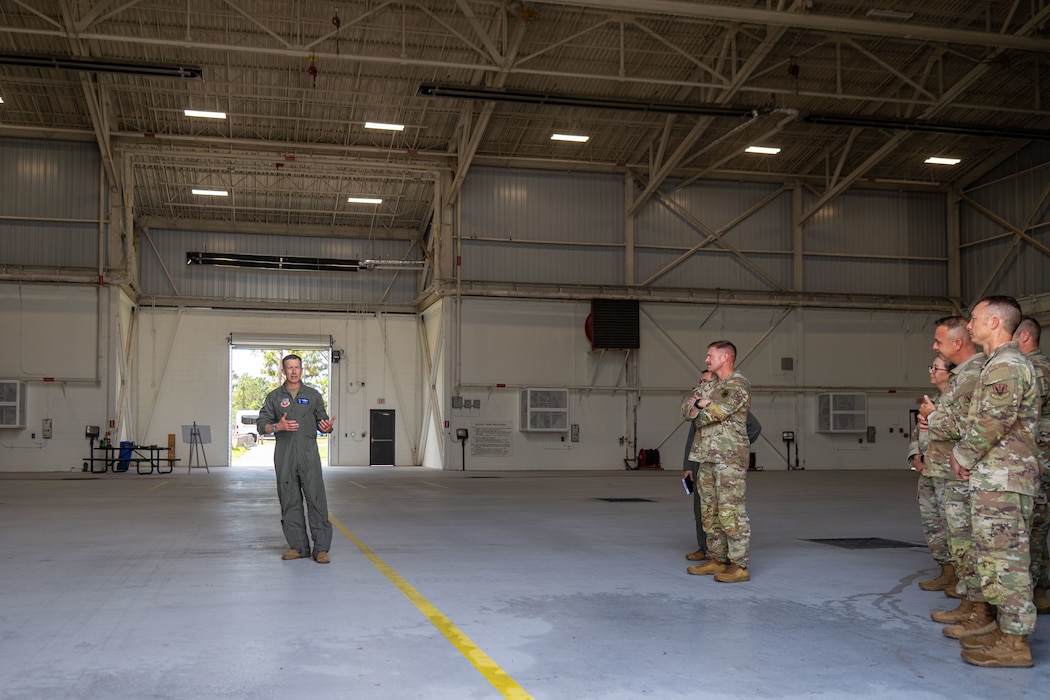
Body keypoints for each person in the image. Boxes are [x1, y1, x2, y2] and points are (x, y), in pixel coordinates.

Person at [949, 296, 1039, 667]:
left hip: (1005, 479)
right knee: (994, 560)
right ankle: (1004, 630)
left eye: (974, 318)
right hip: (995, 478)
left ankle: (1016, 643)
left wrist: (962, 455)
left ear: (995, 322)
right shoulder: (996, 363)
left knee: (1008, 562)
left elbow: (994, 421)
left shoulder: (1007, 365)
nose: (970, 325)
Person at [920, 316, 985, 620]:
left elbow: (961, 426)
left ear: (957, 343)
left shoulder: (972, 375)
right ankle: (969, 602)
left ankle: (976, 609)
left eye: (938, 341)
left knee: (967, 541)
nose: (935, 346)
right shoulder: (963, 375)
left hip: (960, 473)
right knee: (957, 539)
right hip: (946, 468)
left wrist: (932, 416)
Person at [682, 340, 752, 583]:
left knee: (730, 511)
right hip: (706, 457)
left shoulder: (738, 384)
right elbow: (686, 411)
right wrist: (701, 406)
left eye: (710, 356)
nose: (706, 360)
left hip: (729, 458)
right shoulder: (710, 385)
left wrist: (703, 407)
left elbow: (717, 412)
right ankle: (717, 559)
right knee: (709, 511)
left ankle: (739, 565)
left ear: (725, 358)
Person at [258, 354, 337, 564]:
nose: (293, 371)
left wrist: (327, 428)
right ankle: (298, 547)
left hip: (308, 456)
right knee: (289, 501)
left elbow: (322, 420)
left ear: (301, 370)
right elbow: (262, 424)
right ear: (283, 371)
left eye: (297, 367)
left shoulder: (313, 395)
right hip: (285, 457)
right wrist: (278, 426)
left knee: (316, 500)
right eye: (289, 368)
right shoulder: (274, 397)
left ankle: (321, 549)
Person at [1014, 316, 1050, 615]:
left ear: (1025, 337)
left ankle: (1036, 589)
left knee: (1033, 527)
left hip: (1038, 458)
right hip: (1038, 457)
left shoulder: (1033, 369)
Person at [912, 357, 956, 592]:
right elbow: (916, 433)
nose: (931, 371)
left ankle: (962, 580)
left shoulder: (957, 401)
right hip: (928, 472)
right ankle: (946, 572)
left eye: (935, 368)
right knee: (933, 525)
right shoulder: (933, 400)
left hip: (949, 473)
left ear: (950, 373)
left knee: (954, 526)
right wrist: (915, 456)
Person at [683, 370, 716, 562]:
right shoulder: (698, 408)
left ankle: (719, 553)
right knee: (699, 508)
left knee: (718, 511)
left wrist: (733, 450)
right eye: (700, 381)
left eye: (705, 382)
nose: (700, 385)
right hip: (699, 464)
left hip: (718, 466)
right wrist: (688, 465)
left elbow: (753, 428)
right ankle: (704, 548)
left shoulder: (728, 405)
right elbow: (692, 438)